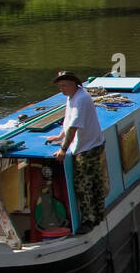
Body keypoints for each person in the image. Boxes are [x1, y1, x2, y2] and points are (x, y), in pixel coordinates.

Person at [44, 71, 108, 234]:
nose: (61, 89)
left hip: (88, 148)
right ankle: (99, 214)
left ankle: (89, 221)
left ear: (74, 84)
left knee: (84, 185)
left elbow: (74, 127)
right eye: (60, 86)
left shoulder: (81, 99)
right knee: (94, 182)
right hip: (91, 144)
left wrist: (63, 150)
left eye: (64, 85)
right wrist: (60, 136)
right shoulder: (73, 96)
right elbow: (68, 121)